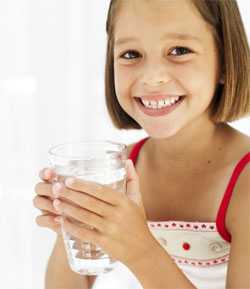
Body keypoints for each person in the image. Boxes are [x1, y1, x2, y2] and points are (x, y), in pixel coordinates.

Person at [33, 0, 250, 288]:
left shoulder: (244, 183)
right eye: (131, 54)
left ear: (226, 61)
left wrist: (140, 249)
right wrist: (72, 226)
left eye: (179, 51)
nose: (151, 78)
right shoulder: (119, 169)